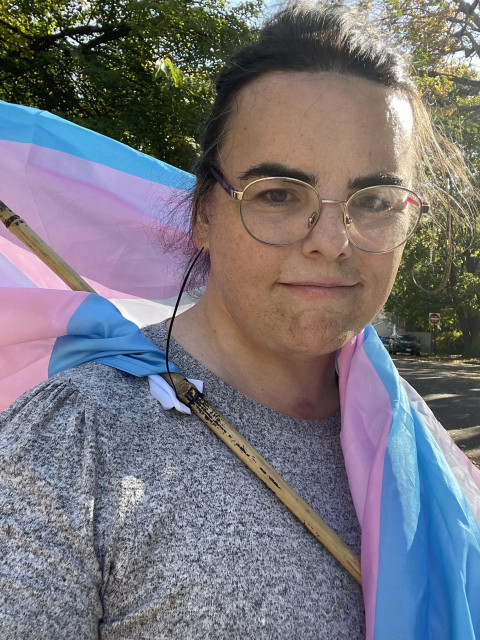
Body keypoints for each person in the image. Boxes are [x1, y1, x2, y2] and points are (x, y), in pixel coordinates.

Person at [0, 3, 479, 639]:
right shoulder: (71, 443)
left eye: (375, 201)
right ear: (204, 213)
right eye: (279, 194)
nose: (333, 241)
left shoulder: (407, 433)